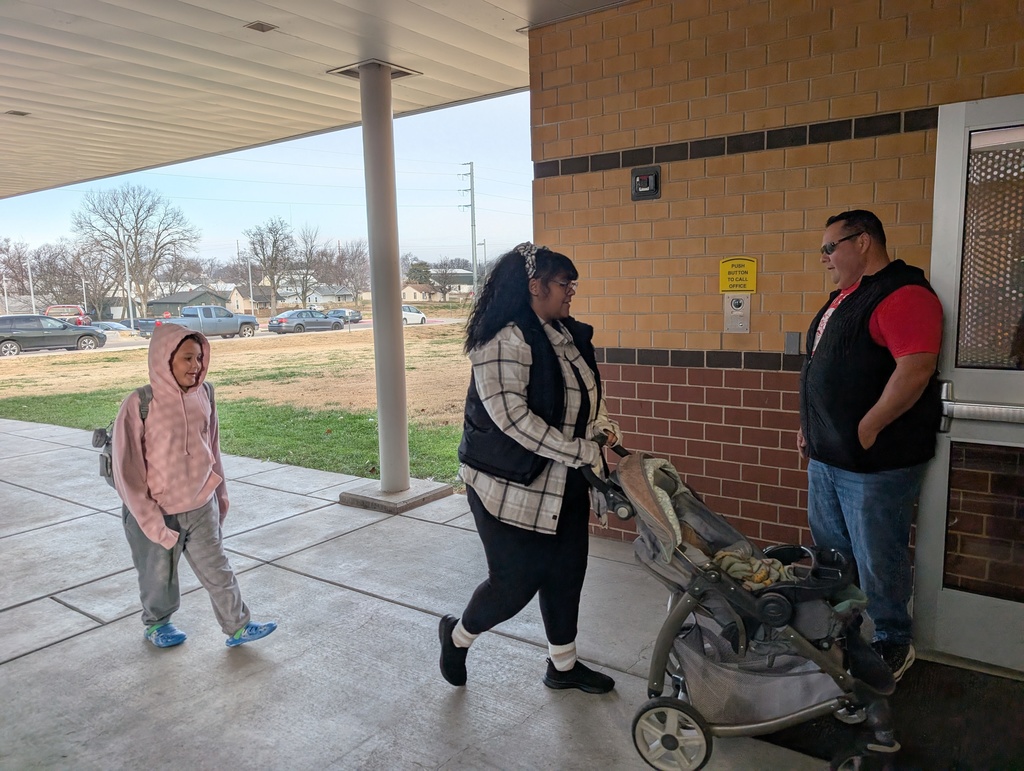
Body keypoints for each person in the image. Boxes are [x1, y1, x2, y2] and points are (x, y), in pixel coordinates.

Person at [439, 242, 620, 694]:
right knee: (513, 584)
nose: (571, 292)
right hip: (508, 485)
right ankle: (458, 638)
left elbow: (585, 399)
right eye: (565, 283)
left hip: (563, 483)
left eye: (573, 284)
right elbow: (513, 420)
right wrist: (580, 451)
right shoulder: (502, 340)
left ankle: (563, 667)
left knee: (566, 575)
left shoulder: (563, 334)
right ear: (535, 286)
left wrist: (602, 430)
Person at [798, 210, 943, 682]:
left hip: (875, 463)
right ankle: (843, 630)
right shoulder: (844, 298)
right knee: (834, 555)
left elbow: (915, 370)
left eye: (829, 247)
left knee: (878, 555)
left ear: (862, 242)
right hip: (827, 457)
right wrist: (812, 427)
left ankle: (893, 640)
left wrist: (868, 427)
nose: (824, 258)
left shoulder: (904, 294)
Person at [112, 323, 277, 649]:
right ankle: (157, 623)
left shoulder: (206, 394)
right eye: (187, 358)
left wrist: (220, 495)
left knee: (218, 569)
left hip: (201, 503)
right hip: (158, 510)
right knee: (158, 577)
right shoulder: (140, 403)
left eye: (199, 357)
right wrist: (148, 517)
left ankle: (238, 626)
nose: (196, 365)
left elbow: (212, 448)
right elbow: (126, 469)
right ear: (164, 359)